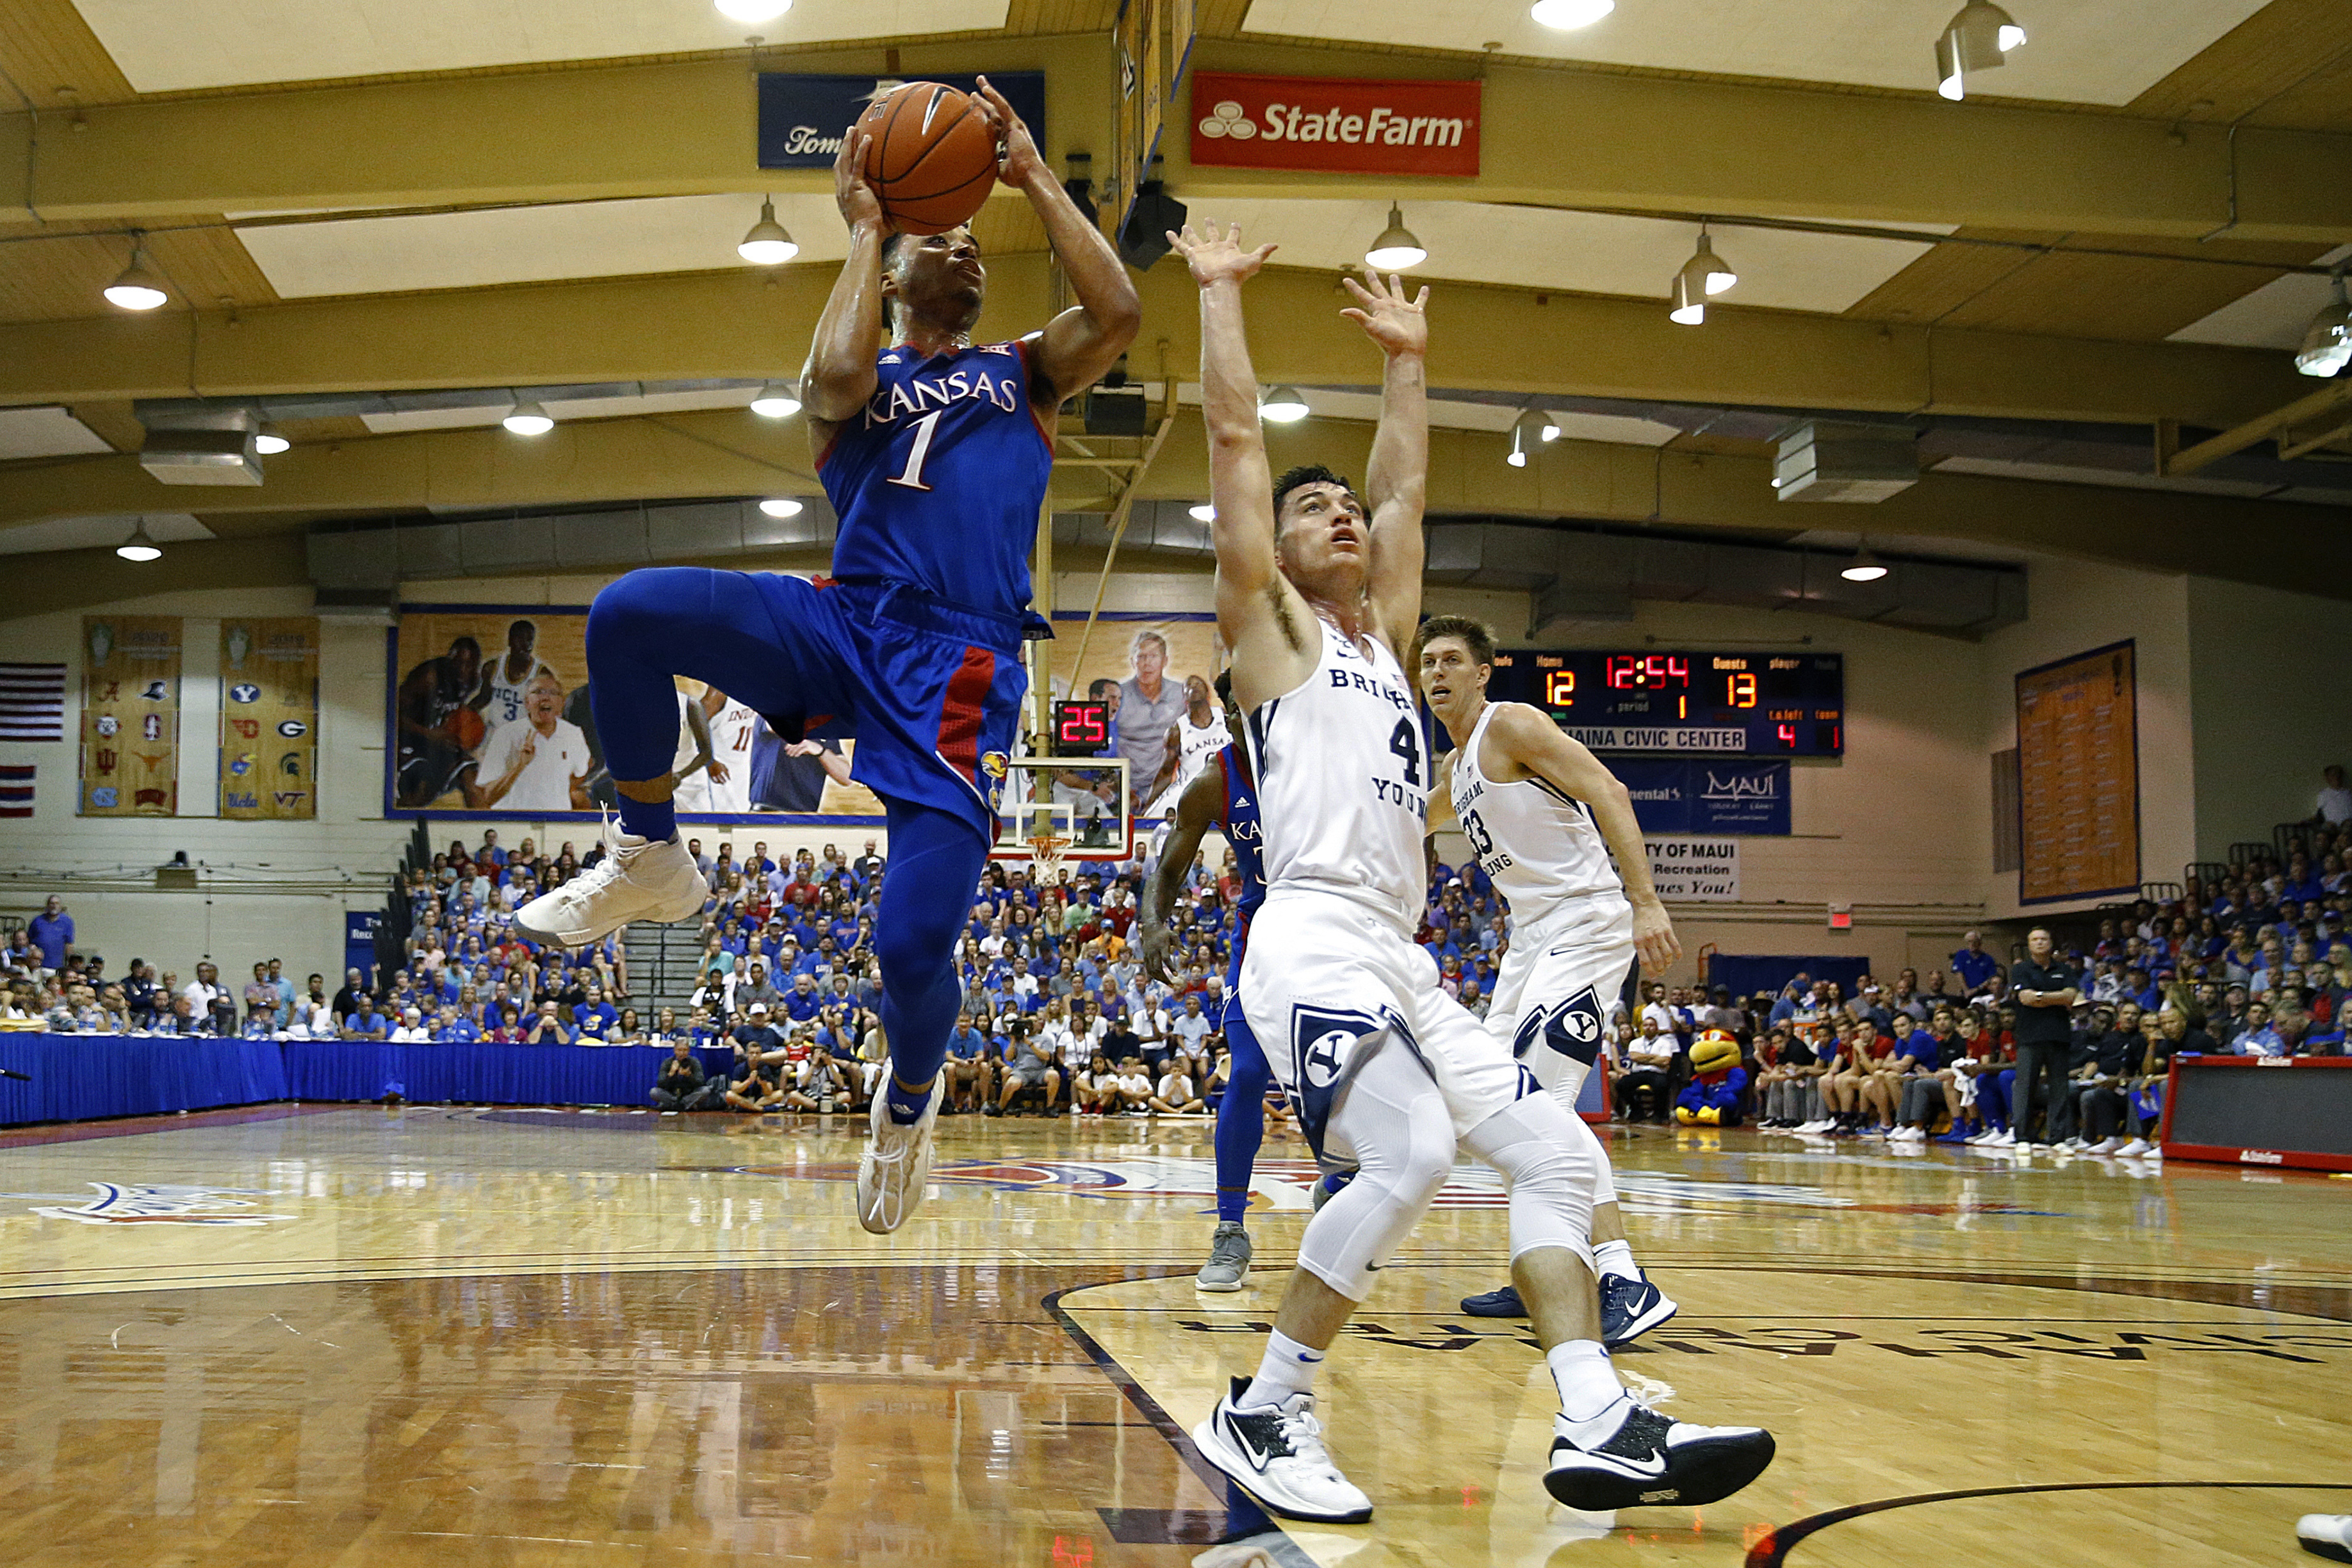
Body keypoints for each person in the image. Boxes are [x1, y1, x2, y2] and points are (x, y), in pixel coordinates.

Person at [1170, 222, 1771, 1524]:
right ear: (1274, 545)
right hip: (1314, 939)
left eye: (1345, 507)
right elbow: (1231, 444)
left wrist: (1408, 364)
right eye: (1313, 507)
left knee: (1556, 1157)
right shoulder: (1270, 631)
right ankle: (1265, 1410)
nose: (1343, 514)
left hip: (1402, 954)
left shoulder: (1386, 646)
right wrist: (1219, 296)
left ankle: (1599, 1418)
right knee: (1413, 1152)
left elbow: (1406, 496)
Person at [514, 80, 1137, 1236]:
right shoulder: (863, 382)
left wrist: (1035, 178)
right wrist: (863, 227)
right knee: (626, 613)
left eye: (973, 240)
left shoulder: (1022, 372)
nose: (967, 247)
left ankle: (907, 1105)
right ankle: (650, 853)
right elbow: (829, 382)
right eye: (936, 236)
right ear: (895, 277)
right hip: (847, 619)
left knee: (909, 944)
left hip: (960, 670)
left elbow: (1117, 313)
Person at [1416, 615, 1678, 1340]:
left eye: (1450, 661)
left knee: (1545, 1104)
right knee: (1495, 1106)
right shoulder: (1456, 766)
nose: (1435, 673)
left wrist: (1644, 902)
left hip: (1587, 922)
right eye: (1426, 662)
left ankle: (1622, 1276)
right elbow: (1410, 824)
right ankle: (1547, 1262)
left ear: (1481, 673)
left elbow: (1610, 792)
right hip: (1532, 939)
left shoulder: (1512, 725)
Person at [1143, 673, 1271, 1292]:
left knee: (1343, 1078)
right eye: (1239, 711)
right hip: (1263, 936)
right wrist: (1152, 923)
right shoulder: (1218, 779)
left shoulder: (1321, 762)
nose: (1249, 720)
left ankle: (1338, 1178)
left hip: (1331, 929)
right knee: (1245, 1073)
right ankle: (1229, 1230)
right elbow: (1169, 865)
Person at [460, 671, 593, 812]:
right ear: (527, 702)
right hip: (515, 822)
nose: (546, 698)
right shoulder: (506, 734)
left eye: (553, 693)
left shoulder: (573, 734)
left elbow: (580, 774)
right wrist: (520, 765)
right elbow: (488, 796)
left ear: (562, 703)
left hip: (557, 822)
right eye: (538, 692)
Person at [2009, 927, 2082, 1146]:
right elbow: (2025, 999)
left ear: (2051, 943)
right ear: (2029, 945)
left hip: (2059, 1035)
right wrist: (2057, 997)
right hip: (2029, 1037)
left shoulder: (2065, 969)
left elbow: (2071, 996)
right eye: (2035, 940)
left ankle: (2056, 1136)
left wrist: (2040, 996)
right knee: (2025, 1087)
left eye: (2044, 939)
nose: (2040, 943)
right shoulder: (2021, 969)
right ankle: (2023, 1135)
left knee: (2059, 1087)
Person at [652, 1039, 719, 1111]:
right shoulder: (668, 1062)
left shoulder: (694, 1062)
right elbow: (660, 1083)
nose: (682, 1053)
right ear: (674, 1050)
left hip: (688, 1095)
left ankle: (676, 1106)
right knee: (654, 1092)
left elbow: (701, 1082)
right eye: (679, 1050)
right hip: (671, 1095)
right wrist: (671, 1073)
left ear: (689, 1051)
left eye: (685, 1050)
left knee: (706, 1090)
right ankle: (682, 1106)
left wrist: (689, 1076)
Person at [26, 896, 72, 974]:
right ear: (47, 906)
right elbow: (29, 941)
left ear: (60, 906)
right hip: (38, 967)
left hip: (57, 967)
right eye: (52, 903)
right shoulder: (37, 921)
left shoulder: (67, 922)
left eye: (57, 903)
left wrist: (69, 964)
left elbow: (69, 944)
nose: (54, 906)